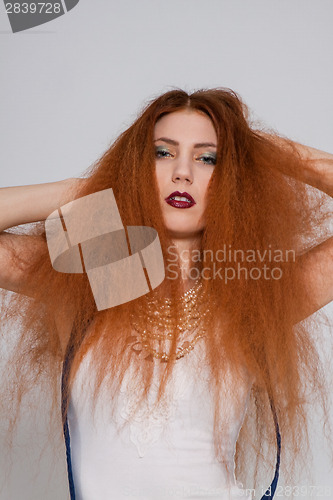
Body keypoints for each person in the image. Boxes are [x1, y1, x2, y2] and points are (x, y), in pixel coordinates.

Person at [0, 88, 332, 500]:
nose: (182, 172)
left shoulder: (253, 297)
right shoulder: (91, 280)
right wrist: (78, 192)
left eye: (207, 158)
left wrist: (260, 148)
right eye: (162, 153)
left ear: (232, 180)